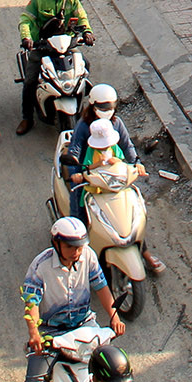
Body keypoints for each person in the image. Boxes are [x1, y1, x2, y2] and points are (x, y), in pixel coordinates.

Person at [59, 87, 162, 273]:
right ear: (92, 106)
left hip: (114, 179)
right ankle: (77, 255)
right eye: (102, 107)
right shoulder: (83, 126)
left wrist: (137, 163)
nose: (107, 111)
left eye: (110, 107)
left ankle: (143, 251)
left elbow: (127, 147)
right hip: (89, 179)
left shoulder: (116, 124)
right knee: (78, 216)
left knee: (132, 213)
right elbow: (74, 150)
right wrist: (76, 172)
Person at [22, 219, 125, 380]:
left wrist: (115, 318)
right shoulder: (40, 266)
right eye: (69, 246)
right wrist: (34, 333)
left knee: (111, 372)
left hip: (84, 325)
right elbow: (31, 303)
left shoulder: (88, 255)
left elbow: (101, 287)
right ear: (56, 244)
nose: (75, 252)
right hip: (51, 332)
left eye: (79, 247)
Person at [16, 0, 94, 135]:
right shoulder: (38, 1)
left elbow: (82, 16)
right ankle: (27, 117)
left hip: (66, 44)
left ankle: (87, 107)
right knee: (30, 80)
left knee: (85, 67)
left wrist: (87, 31)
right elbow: (25, 20)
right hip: (43, 46)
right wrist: (27, 38)